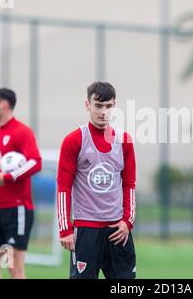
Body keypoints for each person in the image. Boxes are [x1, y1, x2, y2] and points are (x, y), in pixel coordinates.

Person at [57, 81, 136, 279]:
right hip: (86, 230)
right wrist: (65, 229)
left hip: (118, 230)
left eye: (108, 106)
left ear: (114, 106)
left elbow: (129, 184)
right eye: (98, 105)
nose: (103, 112)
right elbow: (63, 187)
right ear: (87, 105)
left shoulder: (124, 141)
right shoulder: (74, 140)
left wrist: (127, 221)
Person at [0, 88, 42, 279]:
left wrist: (7, 178)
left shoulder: (22, 132)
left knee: (13, 268)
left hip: (17, 211)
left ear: (3, 105)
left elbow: (35, 162)